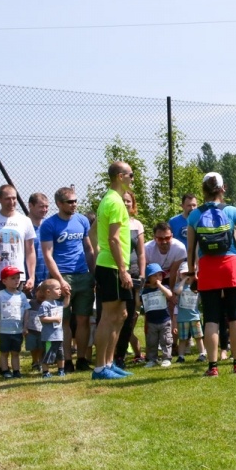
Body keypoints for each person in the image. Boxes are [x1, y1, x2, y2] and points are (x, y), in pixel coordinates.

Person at [190, 173, 236, 376]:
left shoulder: (194, 215)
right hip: (231, 267)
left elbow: (190, 249)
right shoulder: (231, 211)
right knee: (235, 317)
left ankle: (212, 367)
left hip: (207, 268)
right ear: (222, 188)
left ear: (203, 190)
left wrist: (192, 272)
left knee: (211, 318)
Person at [0, 184, 37, 374]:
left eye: (14, 198)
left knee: (18, 320)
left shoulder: (24, 221)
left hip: (17, 278)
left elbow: (30, 250)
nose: (11, 202)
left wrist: (31, 276)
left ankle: (18, 362)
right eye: (7, 198)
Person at [40, 187, 96, 372]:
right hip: (62, 276)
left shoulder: (82, 220)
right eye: (69, 202)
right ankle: (67, 362)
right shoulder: (49, 225)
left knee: (83, 319)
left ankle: (82, 359)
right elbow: (48, 255)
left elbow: (88, 249)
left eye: (75, 201)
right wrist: (60, 280)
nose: (74, 204)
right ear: (59, 203)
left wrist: (93, 273)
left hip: (83, 275)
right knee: (63, 321)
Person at [91, 161, 135, 380]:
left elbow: (92, 233)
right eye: (131, 174)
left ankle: (109, 363)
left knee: (121, 315)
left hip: (112, 264)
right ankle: (100, 368)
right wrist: (123, 270)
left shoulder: (110, 199)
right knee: (108, 317)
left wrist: (98, 252)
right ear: (120, 176)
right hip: (112, 267)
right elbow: (114, 239)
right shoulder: (115, 202)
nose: (133, 179)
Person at [114, 190, 147, 367]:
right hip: (115, 271)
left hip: (133, 274)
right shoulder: (113, 222)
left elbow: (141, 253)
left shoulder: (137, 225)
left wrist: (142, 274)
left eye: (128, 201)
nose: (125, 203)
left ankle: (120, 355)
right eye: (122, 200)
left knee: (129, 317)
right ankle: (110, 354)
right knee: (114, 315)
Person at [0, 266, 30, 379]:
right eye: (13, 278)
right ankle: (5, 371)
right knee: (4, 352)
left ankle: (16, 371)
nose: (16, 280)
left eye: (18, 278)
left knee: (15, 352)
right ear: (4, 281)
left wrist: (25, 327)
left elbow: (26, 311)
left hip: (17, 330)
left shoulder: (22, 296)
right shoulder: (0, 295)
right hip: (4, 331)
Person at [138, 263, 175, 367]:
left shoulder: (164, 287)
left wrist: (159, 285)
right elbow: (138, 303)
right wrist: (137, 291)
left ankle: (166, 358)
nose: (158, 277)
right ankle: (152, 359)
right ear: (149, 278)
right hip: (151, 321)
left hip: (164, 320)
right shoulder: (145, 291)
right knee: (151, 342)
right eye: (155, 275)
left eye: (160, 275)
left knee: (166, 340)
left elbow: (170, 295)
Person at [38, 279, 69, 378]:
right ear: (48, 292)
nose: (60, 291)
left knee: (60, 354)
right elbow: (42, 318)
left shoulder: (57, 303)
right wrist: (54, 319)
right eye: (57, 289)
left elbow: (65, 305)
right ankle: (45, 372)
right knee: (47, 354)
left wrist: (67, 296)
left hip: (59, 335)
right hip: (49, 336)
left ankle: (61, 370)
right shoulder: (45, 304)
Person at [173, 273, 205, 361]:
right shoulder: (179, 286)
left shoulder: (196, 286)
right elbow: (177, 291)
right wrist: (183, 280)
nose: (188, 276)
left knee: (198, 337)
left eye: (190, 274)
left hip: (195, 317)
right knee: (182, 339)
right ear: (180, 275)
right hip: (182, 318)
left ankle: (202, 354)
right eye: (185, 274)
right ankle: (181, 356)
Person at [28, 193, 50, 290]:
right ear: (30, 205)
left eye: (46, 206)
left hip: (47, 278)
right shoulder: (22, 225)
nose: (44, 210)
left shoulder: (49, 225)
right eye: (41, 206)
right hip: (28, 278)